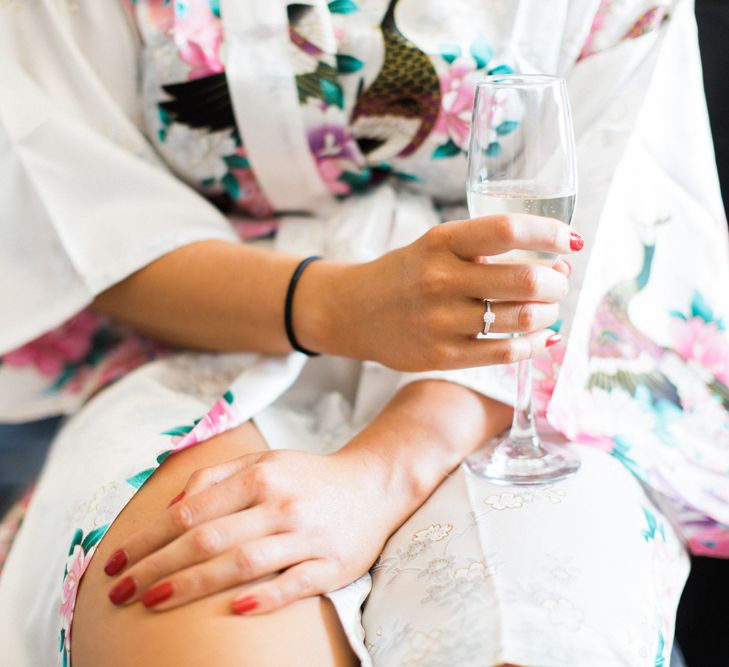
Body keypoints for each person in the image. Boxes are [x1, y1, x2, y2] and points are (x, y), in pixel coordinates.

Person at [0, 0, 726, 665]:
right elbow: (85, 215)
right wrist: (340, 306)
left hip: (509, 388)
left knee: (535, 640)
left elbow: (612, 219)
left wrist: (384, 470)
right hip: (200, 343)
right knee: (205, 624)